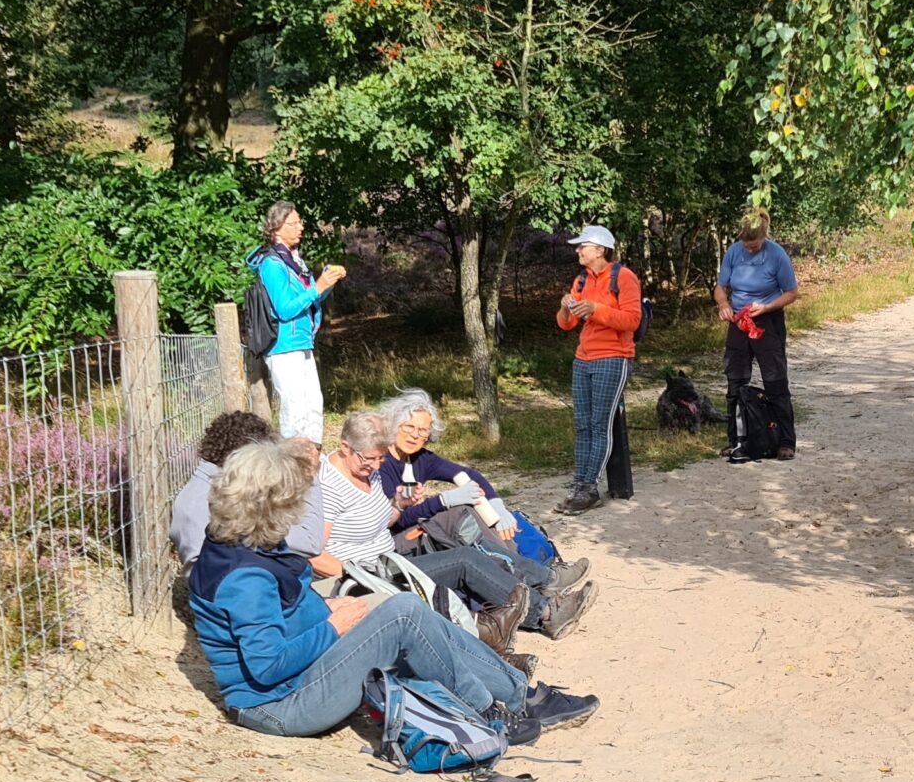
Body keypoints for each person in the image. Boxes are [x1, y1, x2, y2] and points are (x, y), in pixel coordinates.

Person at [186, 441, 597, 741]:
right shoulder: (244, 576)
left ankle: (518, 693)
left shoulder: (241, 538)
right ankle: (491, 711)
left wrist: (326, 606)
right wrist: (334, 624)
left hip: (299, 679)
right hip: (279, 704)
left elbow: (281, 611)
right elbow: (267, 666)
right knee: (400, 612)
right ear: (271, 504)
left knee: (404, 608)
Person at [372, 388, 589, 595]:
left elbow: (470, 475)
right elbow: (394, 520)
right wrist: (444, 500)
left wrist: (497, 507)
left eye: (422, 430)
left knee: (470, 511)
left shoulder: (421, 459)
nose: (414, 435)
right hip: (392, 544)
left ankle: (530, 575)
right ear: (394, 425)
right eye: (408, 427)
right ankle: (540, 578)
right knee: (454, 514)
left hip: (412, 532)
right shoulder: (379, 463)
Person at [170, 411, 342, 584]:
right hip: (251, 590)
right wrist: (308, 474)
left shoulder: (204, 487)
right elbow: (310, 543)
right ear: (247, 458)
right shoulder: (227, 499)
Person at [554, 225, 641, 516]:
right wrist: (567, 307)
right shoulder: (581, 279)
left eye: (583, 246)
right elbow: (566, 324)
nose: (578, 250)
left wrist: (595, 310)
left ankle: (589, 487)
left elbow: (632, 320)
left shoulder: (624, 277)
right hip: (584, 357)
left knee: (599, 425)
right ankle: (580, 483)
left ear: (601, 250)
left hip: (613, 357)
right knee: (582, 424)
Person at [253, 202, 346, 441]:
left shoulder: (294, 261)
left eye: (300, 222)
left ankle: (312, 464)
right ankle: (293, 467)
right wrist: (318, 287)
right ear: (276, 228)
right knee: (295, 412)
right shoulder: (272, 264)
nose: (301, 227)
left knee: (313, 407)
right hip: (283, 345)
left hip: (302, 342)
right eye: (294, 223)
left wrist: (327, 284)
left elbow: (307, 300)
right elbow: (284, 310)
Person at [715, 210, 800, 460]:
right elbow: (721, 287)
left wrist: (768, 306)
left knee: (775, 381)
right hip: (739, 319)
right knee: (735, 382)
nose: (750, 249)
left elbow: (791, 292)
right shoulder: (733, 252)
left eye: (755, 245)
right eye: (747, 245)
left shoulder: (776, 255)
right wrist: (723, 305)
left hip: (767, 318)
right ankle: (737, 439)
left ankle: (786, 440)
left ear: (764, 237)